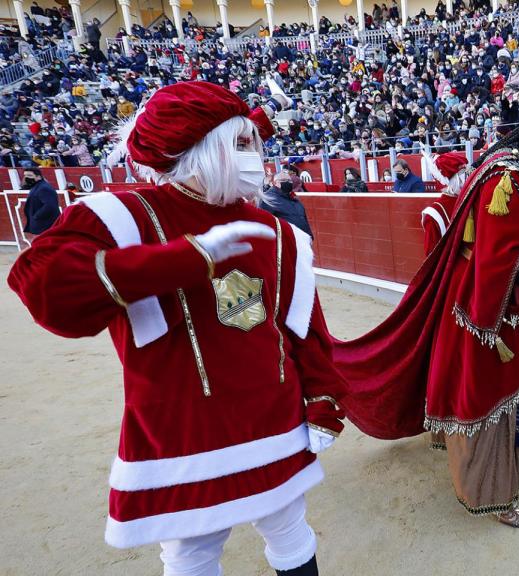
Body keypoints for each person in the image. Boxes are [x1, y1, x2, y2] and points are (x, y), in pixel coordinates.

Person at [7, 81, 346, 576]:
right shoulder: (121, 214)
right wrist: (187, 259)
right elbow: (43, 288)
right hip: (181, 431)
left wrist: (322, 395)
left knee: (291, 531)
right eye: (241, 143)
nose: (257, 156)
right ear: (203, 150)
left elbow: (302, 328)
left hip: (274, 419)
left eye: (254, 143)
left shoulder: (280, 232)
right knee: (191, 553)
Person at [331, 76, 519, 528]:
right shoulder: (509, 176)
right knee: (488, 395)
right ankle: (490, 492)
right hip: (488, 309)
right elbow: (497, 255)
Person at [420, 151, 469, 254]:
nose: (467, 180)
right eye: (462, 176)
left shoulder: (470, 198)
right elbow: (431, 255)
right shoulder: (433, 214)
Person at [259, 171, 313, 237]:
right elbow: (264, 224)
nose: (288, 182)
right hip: (285, 241)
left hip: (302, 239)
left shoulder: (293, 198)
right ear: (276, 183)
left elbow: (302, 218)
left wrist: (309, 236)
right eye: (284, 180)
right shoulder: (269, 199)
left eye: (289, 180)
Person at [20, 167, 59, 239]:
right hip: (42, 224)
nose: (26, 178)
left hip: (45, 225)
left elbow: (50, 206)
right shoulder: (38, 186)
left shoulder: (43, 188)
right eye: (25, 175)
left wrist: (36, 216)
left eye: (30, 175)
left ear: (38, 177)